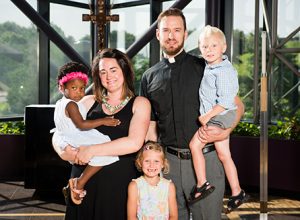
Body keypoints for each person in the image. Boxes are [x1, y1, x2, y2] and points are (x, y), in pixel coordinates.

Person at [140, 8, 244, 219]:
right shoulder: (148, 77)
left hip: (207, 160)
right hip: (167, 164)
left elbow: (237, 105)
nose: (171, 35)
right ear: (158, 34)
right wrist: (150, 162)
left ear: (186, 34)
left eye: (177, 30)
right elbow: (151, 126)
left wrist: (226, 131)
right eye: (166, 30)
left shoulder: (205, 66)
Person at [52, 48, 151, 220]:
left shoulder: (140, 103)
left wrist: (91, 150)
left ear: (124, 71)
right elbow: (60, 131)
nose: (108, 76)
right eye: (102, 72)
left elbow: (134, 143)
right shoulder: (88, 101)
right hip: (82, 187)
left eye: (113, 70)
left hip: (118, 187)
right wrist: (63, 151)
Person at [188, 25, 247, 211]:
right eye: (205, 46)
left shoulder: (223, 71)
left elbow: (227, 101)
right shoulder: (212, 66)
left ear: (224, 47)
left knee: (194, 145)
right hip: (221, 115)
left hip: (220, 115)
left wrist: (206, 116)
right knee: (224, 155)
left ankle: (202, 183)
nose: (209, 50)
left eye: (214, 46)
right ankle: (237, 192)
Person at [53, 61, 120, 205]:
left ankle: (75, 184)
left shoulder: (60, 103)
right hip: (75, 136)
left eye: (82, 88)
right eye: (74, 88)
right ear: (61, 87)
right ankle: (80, 182)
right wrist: (104, 121)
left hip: (67, 137)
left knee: (103, 149)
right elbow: (82, 125)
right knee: (107, 150)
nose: (79, 92)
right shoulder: (71, 105)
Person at [127, 141, 178, 220]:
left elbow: (174, 216)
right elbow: (131, 217)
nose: (151, 165)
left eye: (156, 161)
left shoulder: (169, 186)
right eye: (147, 161)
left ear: (163, 164)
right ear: (140, 162)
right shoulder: (134, 186)